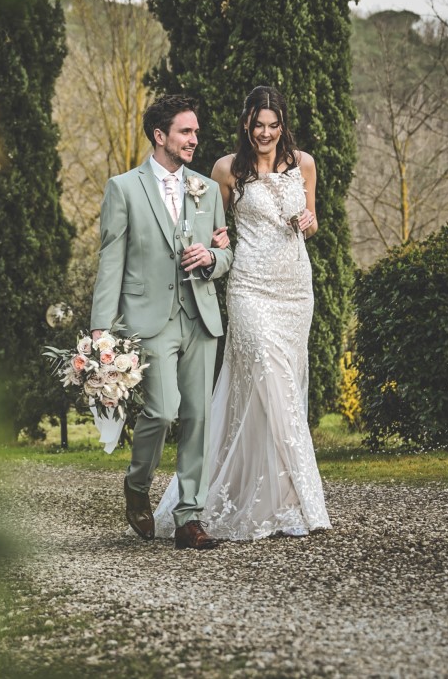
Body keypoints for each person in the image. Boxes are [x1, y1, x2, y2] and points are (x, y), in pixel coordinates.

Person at [153, 85, 332, 540]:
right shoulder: (226, 169)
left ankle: (281, 500)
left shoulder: (304, 164)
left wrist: (310, 222)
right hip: (250, 287)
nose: (266, 134)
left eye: (273, 126)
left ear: (282, 126)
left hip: (295, 289)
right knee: (273, 381)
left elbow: (310, 220)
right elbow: (210, 221)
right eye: (258, 126)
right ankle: (302, 498)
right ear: (247, 124)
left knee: (280, 388)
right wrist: (216, 245)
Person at [90, 94, 234, 550]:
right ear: (160, 136)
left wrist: (212, 257)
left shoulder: (206, 189)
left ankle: (190, 517)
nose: (195, 139)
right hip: (149, 319)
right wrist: (100, 330)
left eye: (195, 131)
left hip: (200, 315)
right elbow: (110, 259)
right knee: (163, 410)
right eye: (185, 132)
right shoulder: (123, 188)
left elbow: (227, 252)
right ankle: (137, 482)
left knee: (198, 417)